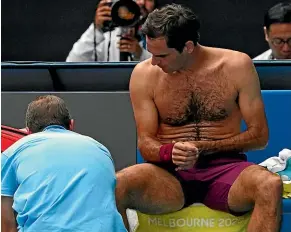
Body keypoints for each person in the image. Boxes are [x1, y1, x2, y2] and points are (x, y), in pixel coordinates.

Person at [115, 4, 283, 232]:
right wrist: (169, 152)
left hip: (226, 170)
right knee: (116, 185)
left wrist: (203, 148)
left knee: (270, 185)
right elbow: (146, 143)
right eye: (151, 53)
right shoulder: (144, 75)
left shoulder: (236, 66)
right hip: (168, 174)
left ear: (188, 47)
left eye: (162, 55)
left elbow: (259, 136)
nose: (154, 61)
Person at [1, 95, 127, 232]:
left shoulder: (12, 152)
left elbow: (5, 223)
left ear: (28, 131)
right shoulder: (101, 149)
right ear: (71, 125)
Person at [66, 0, 157, 62]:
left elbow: (166, 71)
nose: (141, 2)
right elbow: (73, 61)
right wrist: (96, 30)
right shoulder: (109, 37)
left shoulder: (163, 33)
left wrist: (140, 54)